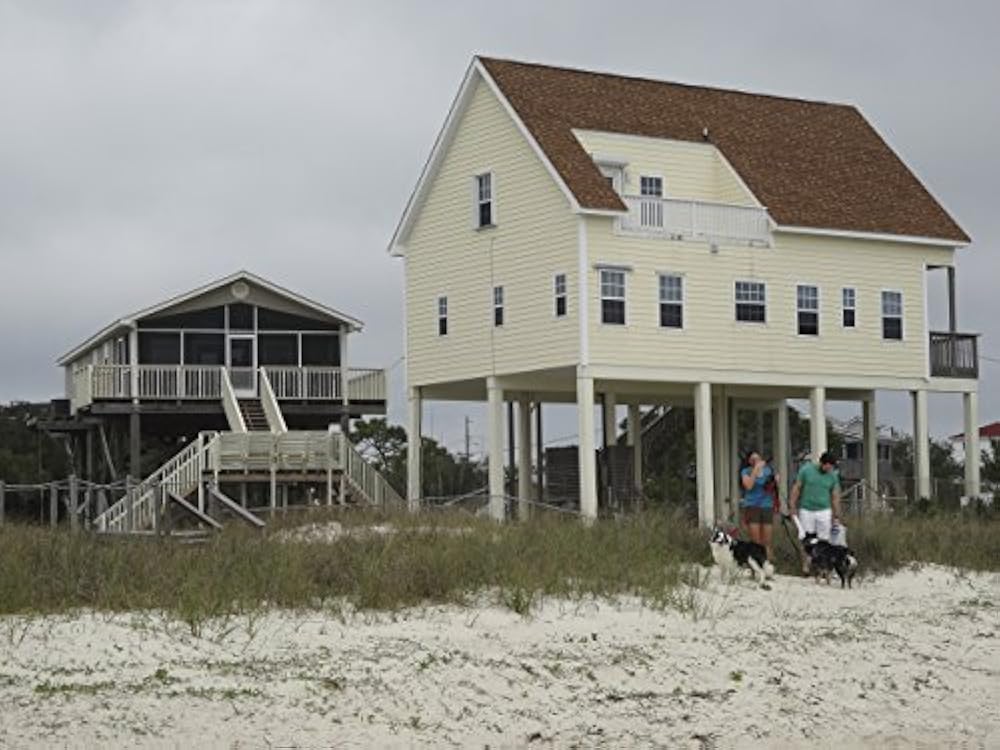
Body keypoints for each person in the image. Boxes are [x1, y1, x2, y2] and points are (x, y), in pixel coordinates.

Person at [788, 451, 842, 573]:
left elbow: (835, 495)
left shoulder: (833, 475)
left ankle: (823, 566)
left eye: (832, 466)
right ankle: (806, 565)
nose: (830, 468)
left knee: (824, 540)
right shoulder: (806, 470)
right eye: (828, 465)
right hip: (807, 509)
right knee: (805, 539)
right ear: (823, 463)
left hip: (824, 510)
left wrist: (836, 514)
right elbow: (797, 487)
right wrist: (792, 505)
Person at [740, 451, 775, 563]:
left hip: (766, 504)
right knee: (756, 539)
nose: (756, 461)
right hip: (752, 505)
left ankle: (768, 561)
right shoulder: (746, 471)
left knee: (767, 539)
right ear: (749, 461)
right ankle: (757, 562)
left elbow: (771, 487)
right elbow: (749, 486)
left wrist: (775, 482)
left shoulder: (768, 471)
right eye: (753, 459)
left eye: (758, 459)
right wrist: (755, 471)